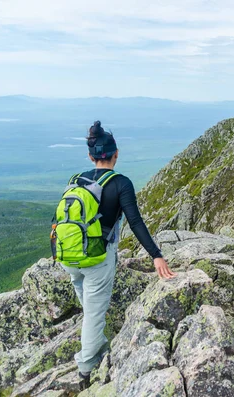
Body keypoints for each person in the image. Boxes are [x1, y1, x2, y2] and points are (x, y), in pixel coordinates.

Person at [60, 121, 177, 389]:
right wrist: (156, 255)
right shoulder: (121, 183)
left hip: (68, 255)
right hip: (97, 259)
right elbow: (135, 223)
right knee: (93, 314)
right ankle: (86, 369)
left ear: (91, 156)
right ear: (116, 154)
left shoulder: (76, 179)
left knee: (89, 306)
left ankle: (97, 347)